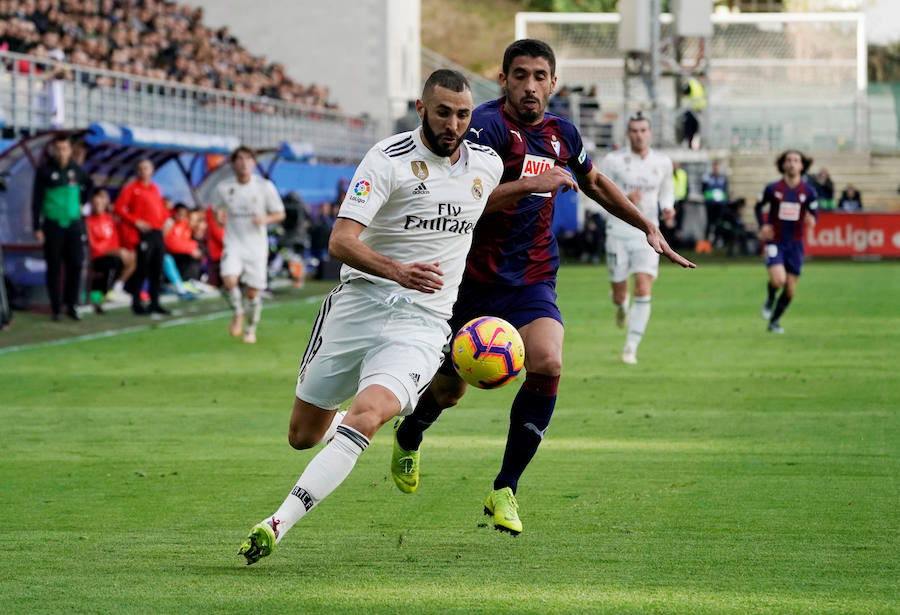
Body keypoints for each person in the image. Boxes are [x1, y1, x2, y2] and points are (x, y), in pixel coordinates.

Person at [391, 40, 694, 536]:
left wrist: (647, 226)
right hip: (470, 281)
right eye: (519, 75)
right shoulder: (483, 129)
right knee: (448, 390)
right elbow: (462, 203)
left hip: (532, 279)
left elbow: (593, 183)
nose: (529, 86)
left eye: (538, 76)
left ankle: (504, 488)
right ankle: (411, 432)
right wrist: (531, 185)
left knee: (549, 361)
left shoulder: (562, 133)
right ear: (504, 79)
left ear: (553, 83)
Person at [237, 69, 505, 565]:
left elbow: (481, 199)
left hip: (423, 321)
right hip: (358, 304)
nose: (453, 124)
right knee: (302, 436)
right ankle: (342, 422)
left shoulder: (486, 163)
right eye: (443, 112)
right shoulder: (387, 160)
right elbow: (340, 240)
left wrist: (546, 180)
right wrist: (397, 271)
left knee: (370, 414)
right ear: (422, 109)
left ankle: (277, 523)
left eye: (463, 114)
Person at [600, 113, 676, 365]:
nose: (639, 135)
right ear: (628, 133)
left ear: (650, 133)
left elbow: (666, 191)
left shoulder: (663, 162)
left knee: (643, 286)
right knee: (619, 294)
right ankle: (621, 307)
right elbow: (598, 194)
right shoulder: (613, 161)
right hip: (618, 232)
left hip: (648, 233)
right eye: (634, 130)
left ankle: (630, 347)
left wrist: (668, 207)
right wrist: (623, 199)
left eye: (643, 130)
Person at [215, 146, 286, 344]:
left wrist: (265, 219)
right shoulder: (223, 187)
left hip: (256, 247)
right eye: (239, 159)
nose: (244, 162)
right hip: (234, 243)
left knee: (253, 293)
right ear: (233, 163)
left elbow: (280, 213)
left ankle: (250, 328)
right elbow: (216, 210)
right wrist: (218, 217)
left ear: (254, 163)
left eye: (248, 159)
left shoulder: (264, 187)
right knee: (229, 279)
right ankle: (238, 312)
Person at [756, 150, 818, 334]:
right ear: (783, 165)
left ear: (802, 165)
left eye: (796, 160)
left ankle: (774, 321)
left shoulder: (808, 192)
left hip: (796, 245)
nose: (792, 163)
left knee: (790, 291)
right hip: (775, 241)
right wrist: (763, 226)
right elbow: (758, 207)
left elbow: (814, 214)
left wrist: (812, 220)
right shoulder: (773, 189)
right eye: (788, 160)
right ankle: (769, 298)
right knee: (778, 280)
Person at [31, 133, 92, 321]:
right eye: (58, 149)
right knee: (54, 267)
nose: (61, 152)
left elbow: (89, 186)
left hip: (74, 225)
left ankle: (71, 305)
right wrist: (37, 227)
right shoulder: (44, 171)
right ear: (53, 150)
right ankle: (56, 308)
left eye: (64, 148)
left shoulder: (77, 170)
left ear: (70, 150)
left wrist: (83, 203)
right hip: (53, 226)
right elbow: (37, 200)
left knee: (75, 264)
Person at [114, 159, 171, 315]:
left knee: (157, 269)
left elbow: (160, 209)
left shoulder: (154, 188)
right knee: (142, 268)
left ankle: (155, 303)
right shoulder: (131, 188)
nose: (143, 171)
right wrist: (136, 221)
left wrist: (167, 220)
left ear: (152, 170)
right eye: (140, 168)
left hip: (157, 232)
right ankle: (136, 304)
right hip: (143, 233)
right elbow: (119, 208)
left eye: (146, 168)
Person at [85, 189, 135, 313]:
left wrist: (119, 250)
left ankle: (117, 288)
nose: (98, 206)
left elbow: (115, 240)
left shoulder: (109, 219)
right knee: (115, 260)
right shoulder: (88, 221)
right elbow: (93, 246)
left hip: (112, 252)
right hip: (97, 256)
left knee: (133, 257)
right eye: (95, 204)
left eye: (100, 204)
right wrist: (112, 251)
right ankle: (106, 292)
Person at [701, 160, 729, 246]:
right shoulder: (707, 178)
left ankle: (716, 241)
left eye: (717, 167)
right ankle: (706, 243)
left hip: (720, 204)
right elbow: (703, 190)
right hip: (710, 204)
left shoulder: (723, 178)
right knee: (709, 222)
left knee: (719, 222)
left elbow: (725, 190)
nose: (716, 168)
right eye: (715, 166)